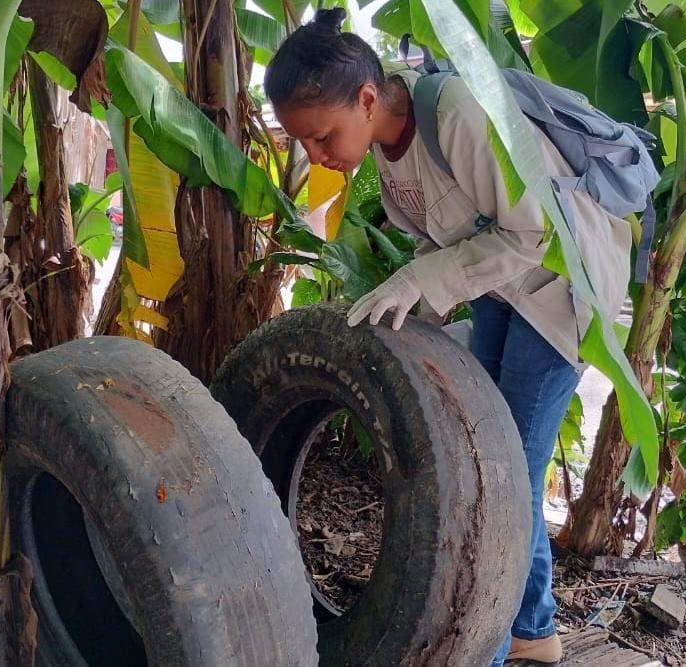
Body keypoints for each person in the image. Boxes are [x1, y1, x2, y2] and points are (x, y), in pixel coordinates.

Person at [264, 7, 632, 666]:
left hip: (560, 290)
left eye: (322, 137)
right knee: (501, 460)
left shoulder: (457, 113)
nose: (317, 156)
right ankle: (532, 626)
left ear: (368, 98)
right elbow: (446, 244)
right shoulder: (382, 149)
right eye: (306, 145)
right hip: (501, 289)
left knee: (505, 473)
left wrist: (422, 279)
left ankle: (487, 647)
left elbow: (531, 233)